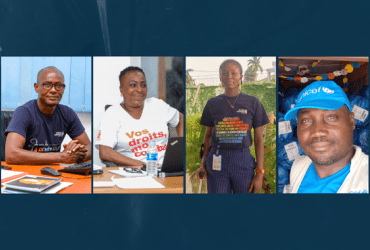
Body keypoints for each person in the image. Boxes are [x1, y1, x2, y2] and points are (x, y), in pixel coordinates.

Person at [196, 59, 270, 194]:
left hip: (242, 161)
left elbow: (259, 139)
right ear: (220, 78)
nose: (229, 76)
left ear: (241, 77)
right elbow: (207, 137)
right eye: (225, 73)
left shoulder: (253, 103)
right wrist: (202, 164)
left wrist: (259, 173)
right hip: (217, 161)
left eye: (234, 73)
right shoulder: (212, 103)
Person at [284, 81, 368, 193]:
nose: (317, 131)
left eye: (331, 117)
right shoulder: (299, 165)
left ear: (351, 121)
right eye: (306, 120)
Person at [96, 66, 184, 167]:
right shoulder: (112, 114)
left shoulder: (157, 105)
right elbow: (105, 152)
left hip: (165, 171)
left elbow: (181, 118)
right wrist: (142, 165)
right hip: (132, 172)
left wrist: (181, 149)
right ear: (121, 89)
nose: (139, 90)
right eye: (133, 85)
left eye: (143, 85)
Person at [5, 66, 91, 165]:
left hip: (54, 170)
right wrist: (61, 157)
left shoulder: (68, 113)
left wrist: (76, 154)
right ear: (37, 87)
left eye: (58, 85)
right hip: (26, 171)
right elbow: (11, 154)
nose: (53, 90)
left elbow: (88, 146)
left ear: (63, 89)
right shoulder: (24, 112)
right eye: (47, 85)